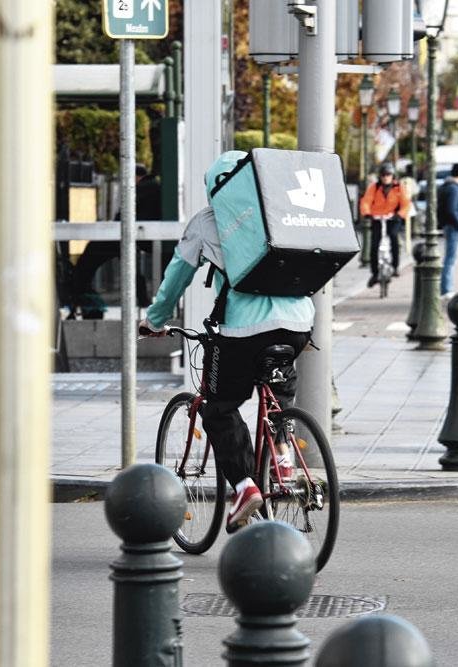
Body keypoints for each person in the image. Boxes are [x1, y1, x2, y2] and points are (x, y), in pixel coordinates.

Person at [138, 151, 315, 532]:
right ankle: (282, 452)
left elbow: (176, 278)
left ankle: (245, 487)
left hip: (244, 331)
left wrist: (154, 320)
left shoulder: (207, 220)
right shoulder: (277, 208)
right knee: (278, 389)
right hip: (299, 324)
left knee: (219, 408)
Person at [69, 164, 165, 318]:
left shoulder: (142, 188)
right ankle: (142, 298)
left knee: (94, 253)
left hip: (135, 234)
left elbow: (123, 215)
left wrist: (112, 227)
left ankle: (78, 287)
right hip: (141, 235)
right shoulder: (152, 186)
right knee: (128, 262)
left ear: (135, 177)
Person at [360, 162, 411, 286]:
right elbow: (366, 201)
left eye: (388, 174)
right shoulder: (374, 187)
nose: (385, 177)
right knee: (374, 245)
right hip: (377, 218)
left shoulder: (399, 188)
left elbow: (406, 204)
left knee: (393, 237)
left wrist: (399, 215)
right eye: (383, 175)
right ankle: (375, 273)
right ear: (380, 176)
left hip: (393, 218)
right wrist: (367, 213)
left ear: (392, 175)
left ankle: (395, 266)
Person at [437, 163, 458, 296]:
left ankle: (446, 288)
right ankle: (447, 289)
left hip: (448, 225)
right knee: (451, 259)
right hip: (454, 226)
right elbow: (451, 209)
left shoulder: (444, 186)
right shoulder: (454, 189)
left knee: (449, 258)